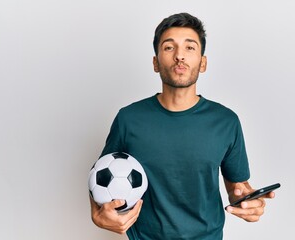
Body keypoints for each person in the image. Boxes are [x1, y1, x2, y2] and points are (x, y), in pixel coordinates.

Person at [90, 12, 276, 240]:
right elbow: (99, 175)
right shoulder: (129, 119)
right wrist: (96, 214)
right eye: (169, 47)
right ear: (156, 63)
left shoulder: (226, 121)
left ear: (203, 62)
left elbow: (237, 188)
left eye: (190, 48)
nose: (180, 56)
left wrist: (247, 201)